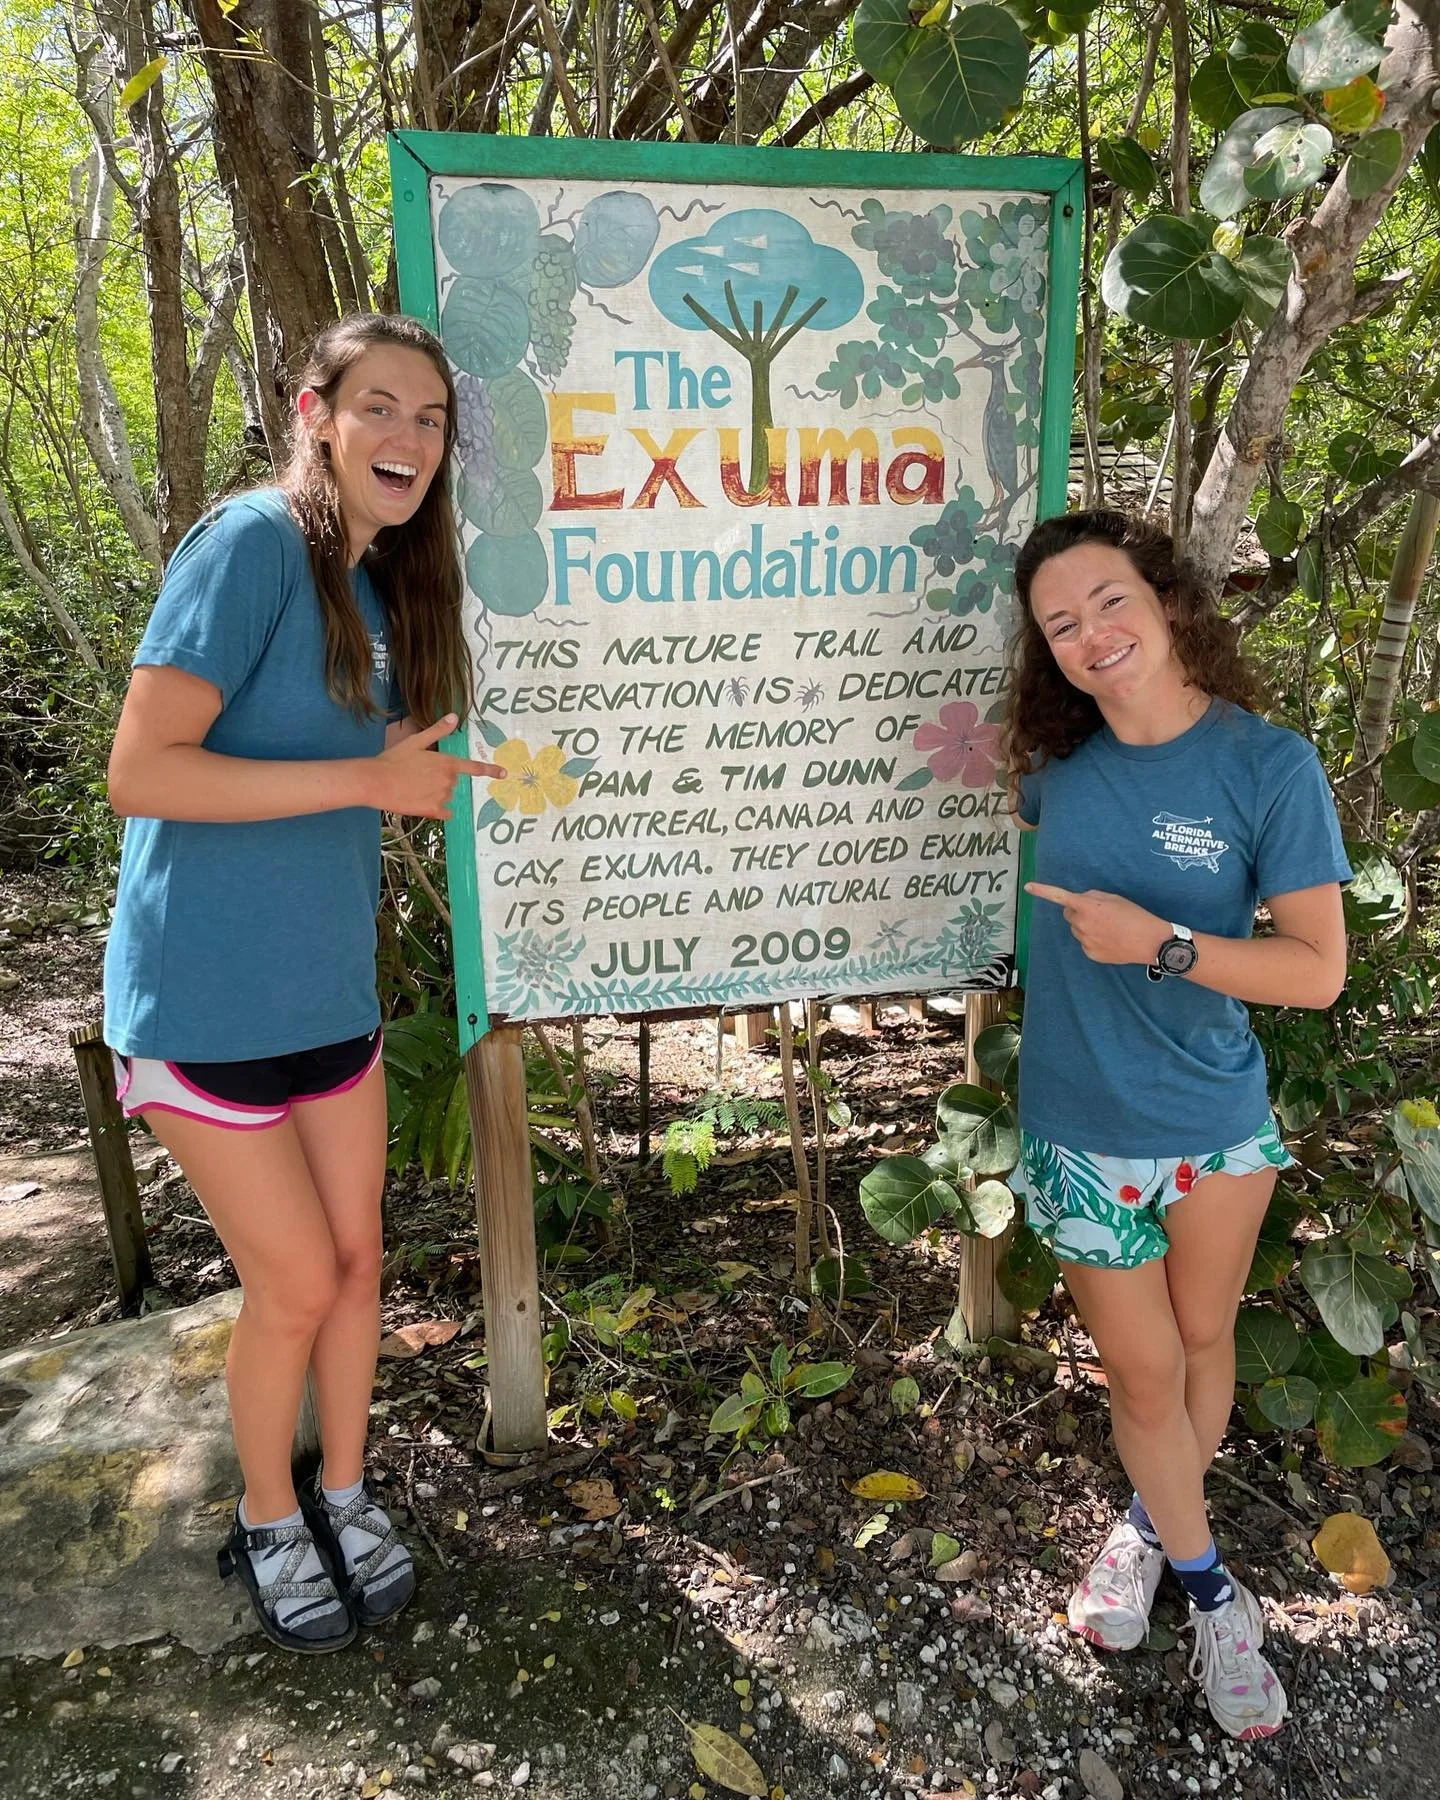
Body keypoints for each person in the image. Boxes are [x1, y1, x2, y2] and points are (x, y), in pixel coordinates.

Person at [103, 313, 500, 1653]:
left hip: (327, 999)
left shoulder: (377, 579)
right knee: (291, 1286)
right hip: (200, 1009)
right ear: (314, 410)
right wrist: (366, 778)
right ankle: (270, 1516)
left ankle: (345, 1486)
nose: (407, 438)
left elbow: (315, 757)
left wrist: (410, 764)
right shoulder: (252, 544)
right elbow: (142, 771)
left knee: (357, 1260)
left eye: (430, 419)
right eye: (380, 406)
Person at [1003, 509, 1349, 1740]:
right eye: (1060, 624)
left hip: (1215, 1121)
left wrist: (1163, 946)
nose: (1092, 634)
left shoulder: (1269, 767)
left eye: (1109, 601)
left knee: (1205, 1340)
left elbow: (1315, 971)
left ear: (1165, 597)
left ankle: (1148, 1531)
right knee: (1146, 1376)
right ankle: (1215, 1600)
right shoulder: (1052, 767)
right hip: (1081, 1124)